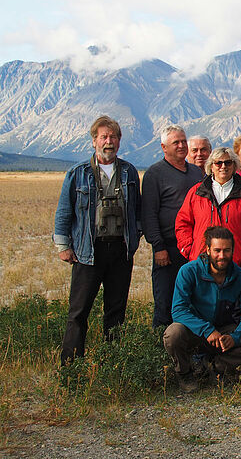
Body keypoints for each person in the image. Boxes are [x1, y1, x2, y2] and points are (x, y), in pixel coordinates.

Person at [54, 115, 142, 365]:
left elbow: (137, 208)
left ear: (119, 141)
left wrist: (135, 238)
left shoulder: (129, 171)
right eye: (103, 136)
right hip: (87, 251)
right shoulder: (78, 173)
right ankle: (71, 366)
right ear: (94, 141)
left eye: (113, 137)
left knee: (116, 311)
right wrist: (63, 246)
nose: (109, 141)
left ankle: (112, 365)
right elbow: (64, 211)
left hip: (120, 251)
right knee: (79, 311)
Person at [163, 226, 241, 392]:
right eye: (217, 250)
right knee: (173, 333)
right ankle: (184, 373)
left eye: (226, 250)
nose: (222, 256)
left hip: (225, 331)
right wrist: (207, 330)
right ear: (207, 249)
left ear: (232, 250)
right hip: (196, 332)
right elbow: (178, 310)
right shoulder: (189, 271)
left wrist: (235, 337)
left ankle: (218, 365)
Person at [141, 124, 204, 328]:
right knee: (165, 301)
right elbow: (149, 214)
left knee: (192, 300)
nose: (181, 146)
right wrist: (158, 247)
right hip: (168, 248)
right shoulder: (154, 174)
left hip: (195, 248)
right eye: (175, 142)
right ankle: (160, 349)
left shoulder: (196, 172)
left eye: (183, 141)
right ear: (163, 147)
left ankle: (189, 349)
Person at [175, 147, 241, 270]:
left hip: (237, 263)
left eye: (228, 162)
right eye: (218, 163)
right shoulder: (196, 192)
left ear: (234, 166)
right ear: (211, 166)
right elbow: (182, 223)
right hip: (202, 261)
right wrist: (189, 250)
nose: (223, 166)